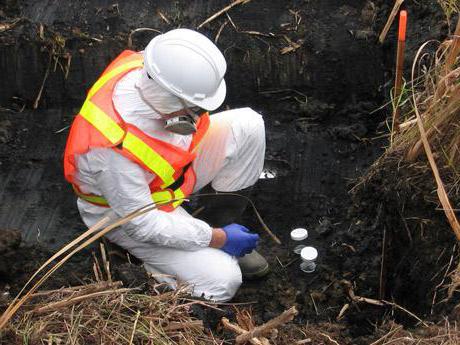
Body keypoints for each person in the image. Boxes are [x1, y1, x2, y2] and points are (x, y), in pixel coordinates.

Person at [63, 28, 268, 302]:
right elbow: (143, 224)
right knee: (222, 282)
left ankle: (219, 222)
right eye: (195, 108)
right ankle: (151, 271)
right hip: (125, 214)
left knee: (249, 125)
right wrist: (219, 239)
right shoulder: (111, 148)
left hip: (169, 179)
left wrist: (217, 231)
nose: (198, 115)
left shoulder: (155, 68)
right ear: (172, 99)